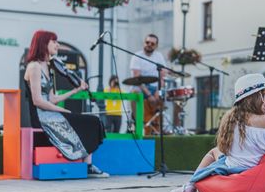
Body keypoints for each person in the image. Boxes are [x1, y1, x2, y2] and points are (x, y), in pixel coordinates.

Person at [169, 73, 265, 192]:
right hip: (253, 171)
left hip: (231, 167)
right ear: (256, 97)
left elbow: (224, 148)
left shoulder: (230, 118)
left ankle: (190, 186)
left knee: (214, 151)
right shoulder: (264, 120)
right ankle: (190, 185)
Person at [23, 30, 108, 177]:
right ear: (43, 43)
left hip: (50, 113)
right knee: (91, 121)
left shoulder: (47, 66)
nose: (57, 44)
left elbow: (53, 98)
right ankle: (88, 166)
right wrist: (61, 111)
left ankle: (87, 165)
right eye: (54, 41)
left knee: (92, 120)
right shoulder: (34, 67)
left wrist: (76, 90)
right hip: (41, 117)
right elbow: (38, 101)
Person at [129, 34, 166, 134]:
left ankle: (157, 127)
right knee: (135, 92)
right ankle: (138, 123)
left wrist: (159, 91)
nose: (149, 45)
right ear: (144, 43)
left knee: (164, 95)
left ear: (156, 46)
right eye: (147, 42)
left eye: (152, 43)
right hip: (141, 87)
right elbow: (137, 78)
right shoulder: (137, 56)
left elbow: (163, 76)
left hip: (155, 87)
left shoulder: (159, 56)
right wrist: (149, 95)